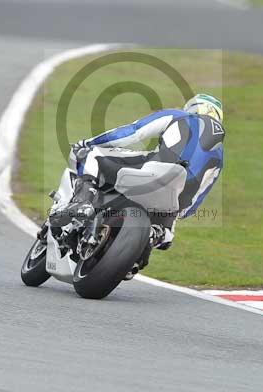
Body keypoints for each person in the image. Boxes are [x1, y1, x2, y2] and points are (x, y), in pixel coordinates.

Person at [59, 93, 225, 275]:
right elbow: (199, 197)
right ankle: (149, 242)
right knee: (163, 235)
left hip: (159, 167)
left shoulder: (180, 116)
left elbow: (134, 131)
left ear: (193, 107)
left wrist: (89, 142)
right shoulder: (219, 155)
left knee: (93, 154)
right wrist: (175, 217)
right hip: (177, 198)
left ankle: (83, 202)